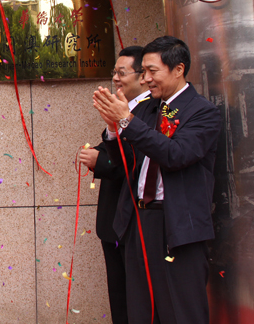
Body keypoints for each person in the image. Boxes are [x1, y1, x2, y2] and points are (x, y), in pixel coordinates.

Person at [93, 36, 221, 324]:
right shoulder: (146, 108)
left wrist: (127, 121)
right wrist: (113, 128)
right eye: (144, 72)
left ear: (178, 69)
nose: (146, 79)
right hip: (138, 222)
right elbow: (125, 162)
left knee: (180, 311)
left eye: (152, 71)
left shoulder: (202, 112)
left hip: (176, 225)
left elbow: (176, 155)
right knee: (141, 310)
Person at [81, 46, 150, 324]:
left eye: (122, 73)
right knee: (120, 298)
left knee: (135, 300)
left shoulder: (151, 111)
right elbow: (115, 149)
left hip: (134, 221)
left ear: (143, 75)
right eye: (114, 72)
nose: (115, 78)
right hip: (113, 221)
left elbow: (135, 160)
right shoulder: (126, 106)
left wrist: (100, 161)